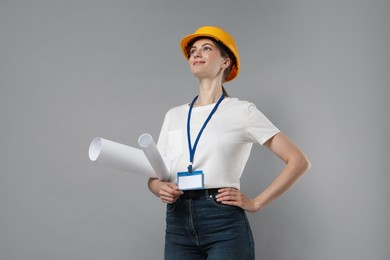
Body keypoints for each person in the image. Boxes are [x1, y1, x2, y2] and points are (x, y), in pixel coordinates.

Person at [147, 25, 310, 260]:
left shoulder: (242, 112)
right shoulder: (174, 115)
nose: (196, 54)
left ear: (226, 62)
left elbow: (298, 161)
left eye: (206, 48)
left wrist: (256, 203)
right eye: (193, 51)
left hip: (222, 221)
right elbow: (155, 177)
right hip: (177, 221)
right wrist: (158, 188)